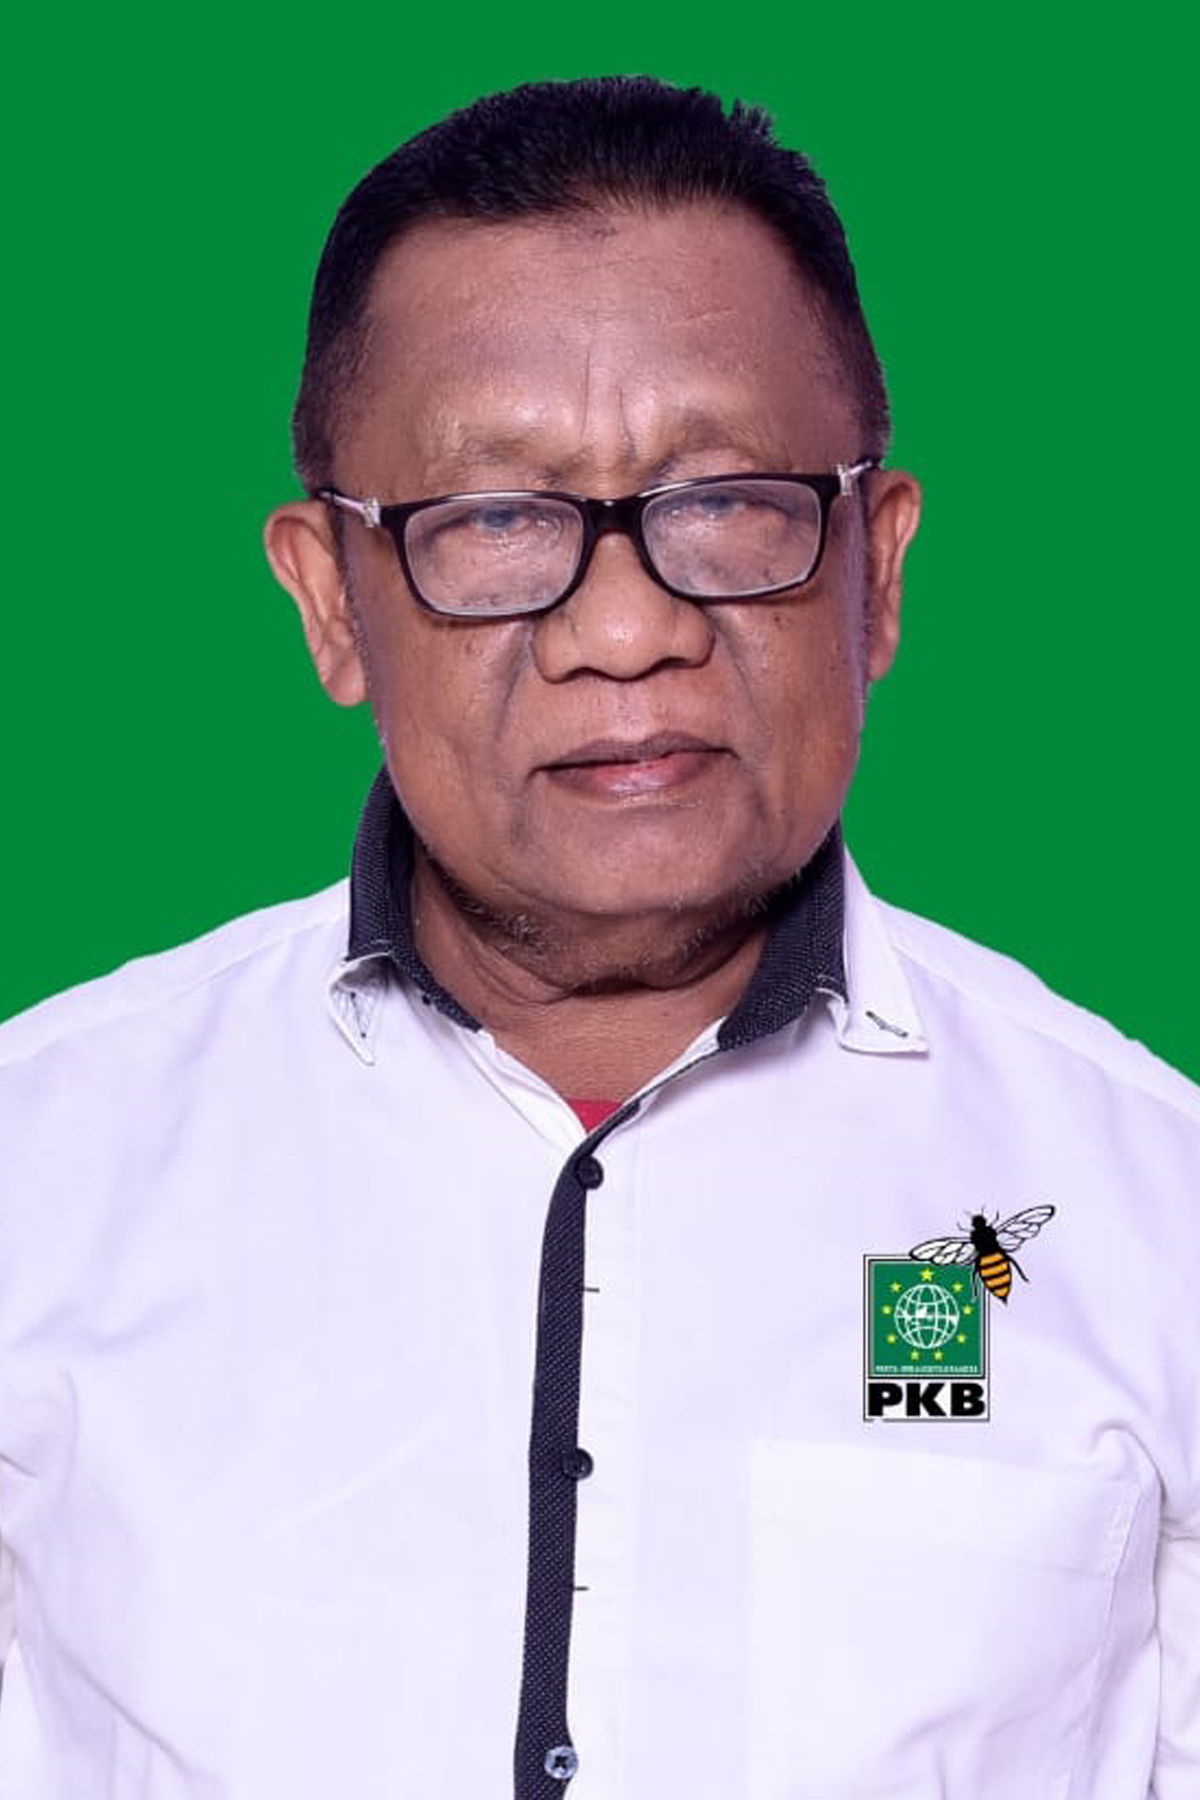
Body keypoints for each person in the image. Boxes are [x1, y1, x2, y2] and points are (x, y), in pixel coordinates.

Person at [0, 74, 1196, 1800]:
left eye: (727, 503)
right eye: (495, 521)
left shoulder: (1150, 1213)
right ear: (331, 601)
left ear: (877, 567)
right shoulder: (41, 1171)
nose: (626, 630)